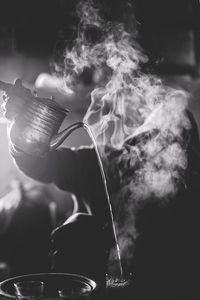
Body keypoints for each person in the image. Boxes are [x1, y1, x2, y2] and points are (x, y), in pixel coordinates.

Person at [2, 78, 200, 300]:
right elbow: (40, 164)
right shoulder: (105, 164)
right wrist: (19, 135)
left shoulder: (190, 198)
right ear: (136, 145)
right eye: (155, 145)